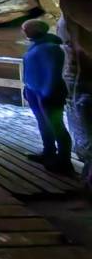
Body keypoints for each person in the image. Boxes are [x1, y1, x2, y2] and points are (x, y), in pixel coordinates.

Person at [21, 19, 74, 174]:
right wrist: (27, 87)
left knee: (56, 126)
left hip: (49, 93)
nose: (24, 31)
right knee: (43, 123)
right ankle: (48, 152)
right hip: (35, 91)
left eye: (27, 28)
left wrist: (46, 92)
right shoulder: (37, 45)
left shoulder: (50, 47)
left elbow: (52, 72)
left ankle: (64, 161)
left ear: (37, 29)